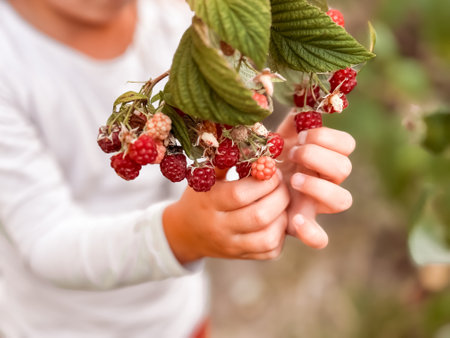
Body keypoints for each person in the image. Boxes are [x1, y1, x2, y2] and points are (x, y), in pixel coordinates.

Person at [0, 0, 355, 337]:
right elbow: (47, 241)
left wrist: (255, 180)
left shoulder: (182, 15)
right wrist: (180, 235)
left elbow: (194, 169)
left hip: (177, 318)